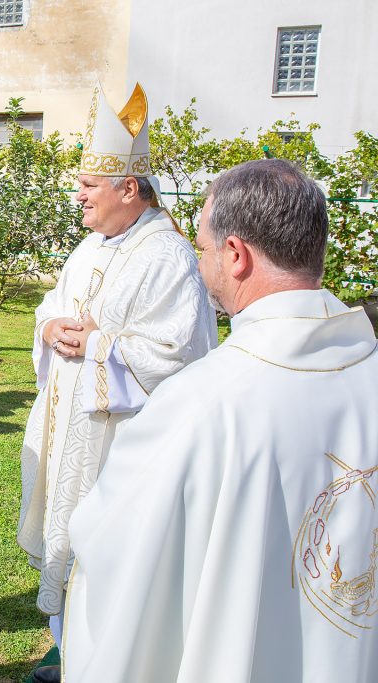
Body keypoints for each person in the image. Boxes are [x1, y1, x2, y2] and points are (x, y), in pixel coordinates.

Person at [64, 158, 378, 682]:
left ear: (235, 255)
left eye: (203, 250)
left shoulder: (199, 405)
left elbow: (119, 553)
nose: (200, 263)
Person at [16, 84, 216, 682]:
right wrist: (49, 326)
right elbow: (53, 303)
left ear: (128, 189)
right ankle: (70, 655)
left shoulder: (168, 257)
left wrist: (99, 345)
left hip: (122, 446)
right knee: (68, 547)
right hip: (70, 433)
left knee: (113, 562)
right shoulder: (90, 246)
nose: (77, 195)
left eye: (88, 185)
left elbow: (179, 357)